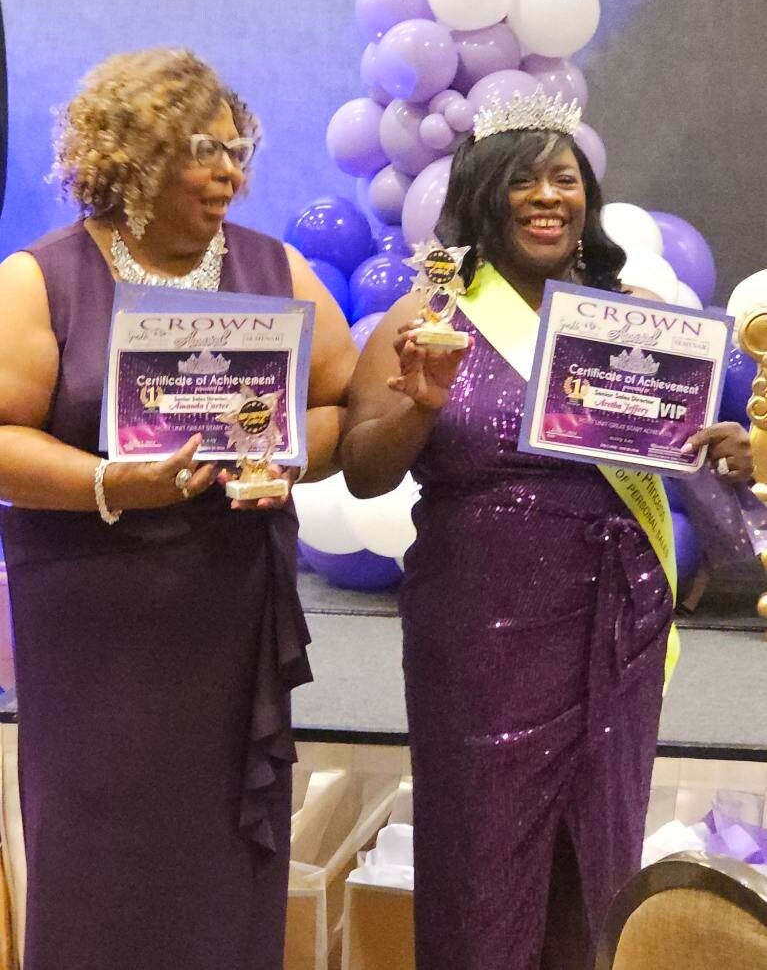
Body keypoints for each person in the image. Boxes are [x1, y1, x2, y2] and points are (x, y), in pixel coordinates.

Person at [341, 88, 752, 969]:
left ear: (585, 198)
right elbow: (364, 468)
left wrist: (722, 453)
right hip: (479, 631)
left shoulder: (630, 311)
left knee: (597, 853)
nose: (547, 196)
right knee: (480, 858)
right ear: (483, 195)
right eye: (522, 180)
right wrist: (420, 406)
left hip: (613, 627)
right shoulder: (429, 315)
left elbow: (676, 451)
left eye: (564, 179)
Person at [0, 48, 356, 970]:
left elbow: (340, 405)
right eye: (206, 151)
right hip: (95, 636)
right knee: (96, 866)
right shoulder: (42, 278)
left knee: (219, 874)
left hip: (228, 627)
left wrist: (289, 456)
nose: (231, 171)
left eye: (238, 151)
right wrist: (111, 484)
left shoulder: (274, 267)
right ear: (134, 153)